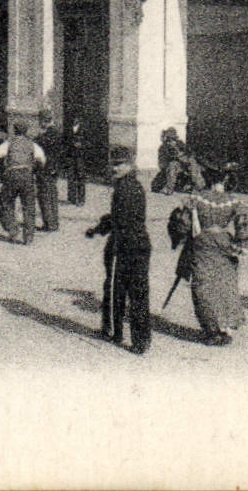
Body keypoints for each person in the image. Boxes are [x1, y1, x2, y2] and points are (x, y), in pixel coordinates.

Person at [179, 164, 248, 345]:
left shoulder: (196, 198)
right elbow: (245, 224)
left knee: (203, 285)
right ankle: (225, 328)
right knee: (224, 284)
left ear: (207, 179)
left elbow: (182, 224)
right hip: (223, 242)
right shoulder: (234, 201)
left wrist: (184, 237)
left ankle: (212, 330)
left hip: (202, 243)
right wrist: (241, 244)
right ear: (225, 180)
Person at [105, 145, 152, 354]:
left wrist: (106, 229)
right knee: (135, 292)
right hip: (138, 243)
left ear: (130, 165)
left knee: (124, 290)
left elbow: (120, 220)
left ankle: (125, 335)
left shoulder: (124, 188)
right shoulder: (134, 185)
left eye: (119, 164)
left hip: (128, 244)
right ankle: (137, 338)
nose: (115, 168)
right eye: (113, 164)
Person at [0, 122, 45, 244]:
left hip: (12, 175)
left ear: (14, 131)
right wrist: (36, 168)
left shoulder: (9, 143)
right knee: (29, 206)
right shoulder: (32, 144)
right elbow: (41, 159)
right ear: (26, 131)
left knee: (6, 202)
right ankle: (28, 237)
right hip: (27, 176)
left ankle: (13, 230)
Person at [153, 127, 204, 194]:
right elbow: (162, 164)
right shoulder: (163, 148)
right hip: (171, 170)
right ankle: (169, 188)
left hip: (186, 167)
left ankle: (199, 186)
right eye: (170, 139)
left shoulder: (180, 144)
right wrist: (174, 156)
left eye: (173, 139)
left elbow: (189, 154)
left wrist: (183, 156)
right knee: (173, 165)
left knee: (193, 163)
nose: (172, 141)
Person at [33, 111, 61, 231]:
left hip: (45, 168)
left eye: (40, 121)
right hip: (54, 168)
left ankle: (49, 224)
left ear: (44, 120)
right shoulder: (57, 133)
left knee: (44, 195)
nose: (40, 124)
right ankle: (54, 222)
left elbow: (39, 143)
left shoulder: (48, 135)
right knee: (52, 195)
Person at [66, 119, 88, 207]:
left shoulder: (84, 130)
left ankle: (81, 199)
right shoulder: (69, 129)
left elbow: (88, 143)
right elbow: (65, 141)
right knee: (71, 177)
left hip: (80, 157)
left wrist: (81, 145)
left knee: (80, 177)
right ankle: (72, 198)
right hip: (71, 156)